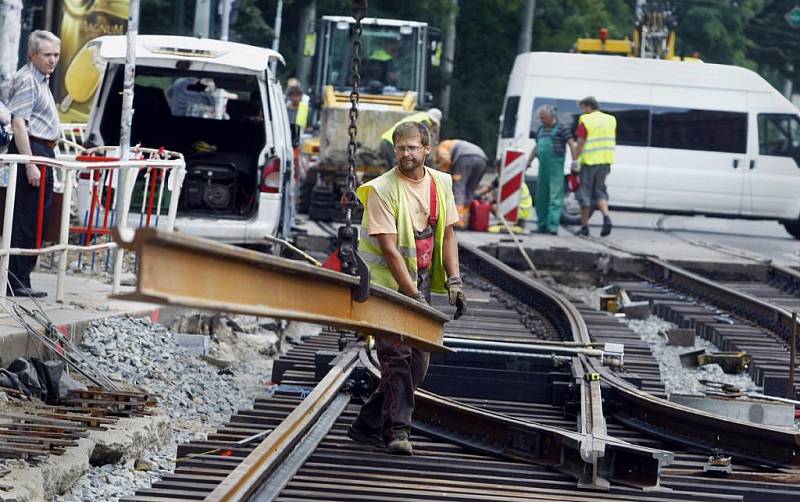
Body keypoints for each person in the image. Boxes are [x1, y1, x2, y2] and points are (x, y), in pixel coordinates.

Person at [347, 121, 466, 456]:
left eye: (413, 147)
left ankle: (367, 424)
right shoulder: (381, 190)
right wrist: (411, 298)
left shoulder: (440, 183)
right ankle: (398, 431)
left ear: (427, 149)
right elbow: (389, 249)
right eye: (400, 147)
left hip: (421, 283)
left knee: (418, 364)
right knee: (396, 359)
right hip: (386, 287)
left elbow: (448, 236)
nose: (406, 153)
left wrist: (454, 281)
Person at [6, 30, 62, 298]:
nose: (53, 60)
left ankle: (21, 278)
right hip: (34, 149)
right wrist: (30, 163)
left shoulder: (42, 79)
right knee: (28, 216)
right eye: (47, 54)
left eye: (56, 54)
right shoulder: (29, 80)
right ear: (32, 55)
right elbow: (19, 122)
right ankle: (16, 281)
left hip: (42, 150)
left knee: (38, 215)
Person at [526, 104, 577, 235]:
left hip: (556, 167)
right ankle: (541, 225)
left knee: (555, 197)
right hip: (543, 167)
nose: (542, 120)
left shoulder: (562, 128)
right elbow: (536, 147)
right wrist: (529, 161)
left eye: (544, 118)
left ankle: (552, 226)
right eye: (541, 118)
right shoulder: (541, 130)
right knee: (541, 197)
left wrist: (575, 161)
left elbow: (572, 144)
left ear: (551, 116)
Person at [573, 96, 616, 237]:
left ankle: (584, 227)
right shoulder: (611, 120)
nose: (582, 111)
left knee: (584, 193)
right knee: (600, 191)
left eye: (582, 108)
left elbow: (580, 141)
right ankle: (606, 217)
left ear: (588, 107)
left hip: (589, 162)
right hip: (606, 161)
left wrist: (575, 159)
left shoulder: (586, 119)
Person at [435, 139, 489, 228]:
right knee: (470, 190)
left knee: (459, 187)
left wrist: (443, 171)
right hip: (482, 160)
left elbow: (444, 158)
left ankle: (457, 220)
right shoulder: (456, 143)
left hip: (465, 157)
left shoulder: (442, 146)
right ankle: (465, 219)